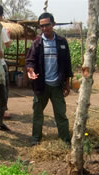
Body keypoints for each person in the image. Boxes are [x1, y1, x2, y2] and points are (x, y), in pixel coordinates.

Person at [26, 12, 73, 146]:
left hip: (57, 85)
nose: (45, 28)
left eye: (47, 25)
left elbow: (67, 65)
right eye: (42, 26)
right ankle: (36, 138)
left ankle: (65, 139)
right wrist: (31, 71)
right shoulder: (37, 43)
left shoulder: (62, 42)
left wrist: (67, 85)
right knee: (37, 114)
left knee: (61, 114)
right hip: (41, 86)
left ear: (53, 24)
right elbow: (30, 61)